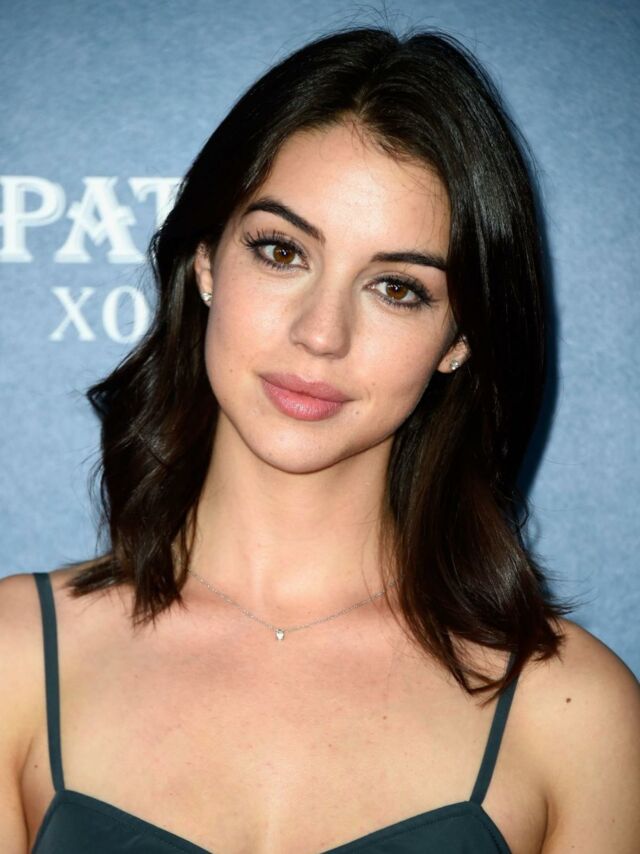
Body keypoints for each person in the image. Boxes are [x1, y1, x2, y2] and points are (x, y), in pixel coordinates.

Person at [1, 24, 638, 854]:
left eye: (397, 288)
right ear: (205, 260)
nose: (321, 334)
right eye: (281, 250)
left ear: (459, 339)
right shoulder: (16, 658)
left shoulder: (575, 714)